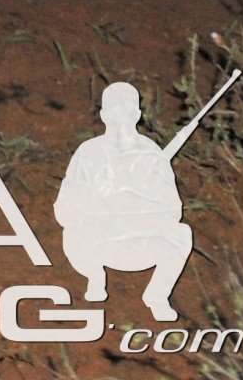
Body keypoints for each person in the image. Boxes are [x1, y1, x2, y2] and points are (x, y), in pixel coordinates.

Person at [56, 80, 197, 321]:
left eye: (127, 112)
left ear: (137, 115)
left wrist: (140, 204)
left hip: (140, 240)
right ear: (104, 115)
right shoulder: (88, 153)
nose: (120, 120)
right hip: (99, 240)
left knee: (181, 234)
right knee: (73, 233)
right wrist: (97, 202)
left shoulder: (152, 154)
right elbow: (64, 209)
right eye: (114, 113)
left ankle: (157, 296)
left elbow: (173, 210)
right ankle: (95, 276)